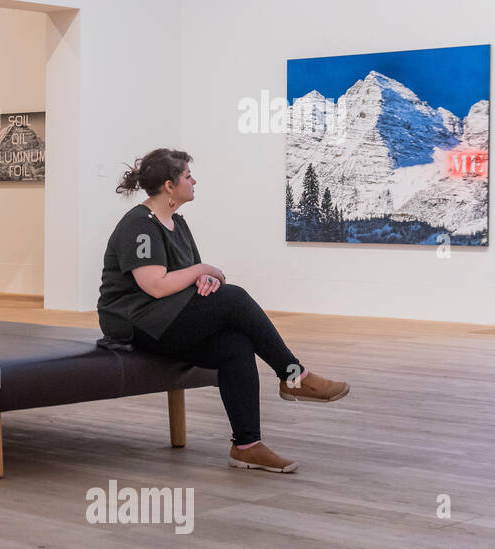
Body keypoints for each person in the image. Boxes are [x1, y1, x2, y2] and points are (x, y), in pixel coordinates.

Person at [96, 148, 348, 473]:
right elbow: (156, 285)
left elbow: (186, 277)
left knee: (236, 345)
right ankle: (293, 375)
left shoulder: (177, 224)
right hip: (136, 323)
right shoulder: (139, 226)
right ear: (170, 186)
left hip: (165, 317)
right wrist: (203, 269)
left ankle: (247, 446)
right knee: (235, 298)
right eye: (188, 176)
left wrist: (206, 280)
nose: (194, 180)